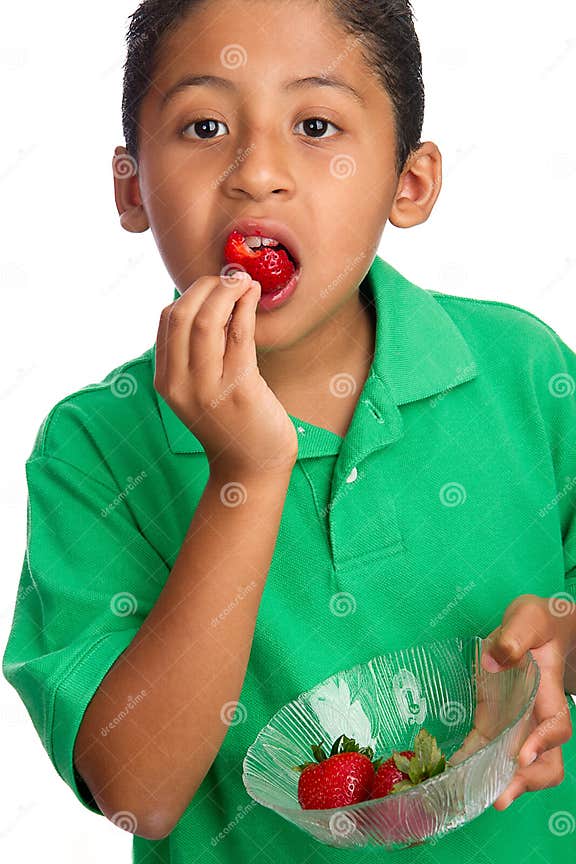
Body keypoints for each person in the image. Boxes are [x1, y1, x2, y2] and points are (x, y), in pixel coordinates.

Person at [3, 0, 576, 861]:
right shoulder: (95, 445)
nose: (256, 173)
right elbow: (139, 796)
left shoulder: (523, 370)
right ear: (132, 189)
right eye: (203, 125)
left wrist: (563, 630)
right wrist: (247, 472)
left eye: (315, 123)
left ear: (408, 183)